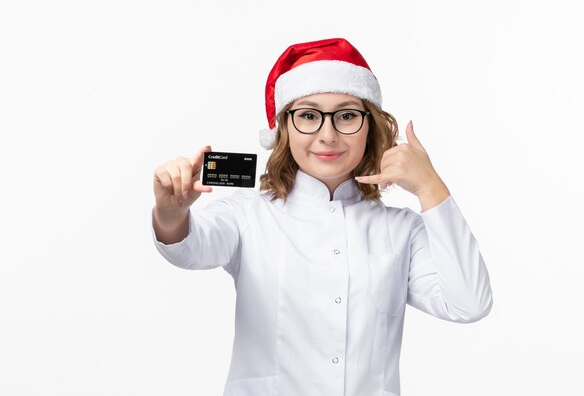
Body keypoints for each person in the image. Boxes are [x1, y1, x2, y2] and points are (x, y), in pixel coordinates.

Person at [151, 37, 493, 396]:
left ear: (370, 126)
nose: (327, 136)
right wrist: (171, 210)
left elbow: (469, 303)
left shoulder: (402, 230)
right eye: (309, 116)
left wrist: (430, 188)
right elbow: (188, 247)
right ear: (285, 127)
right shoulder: (247, 214)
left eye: (346, 115)